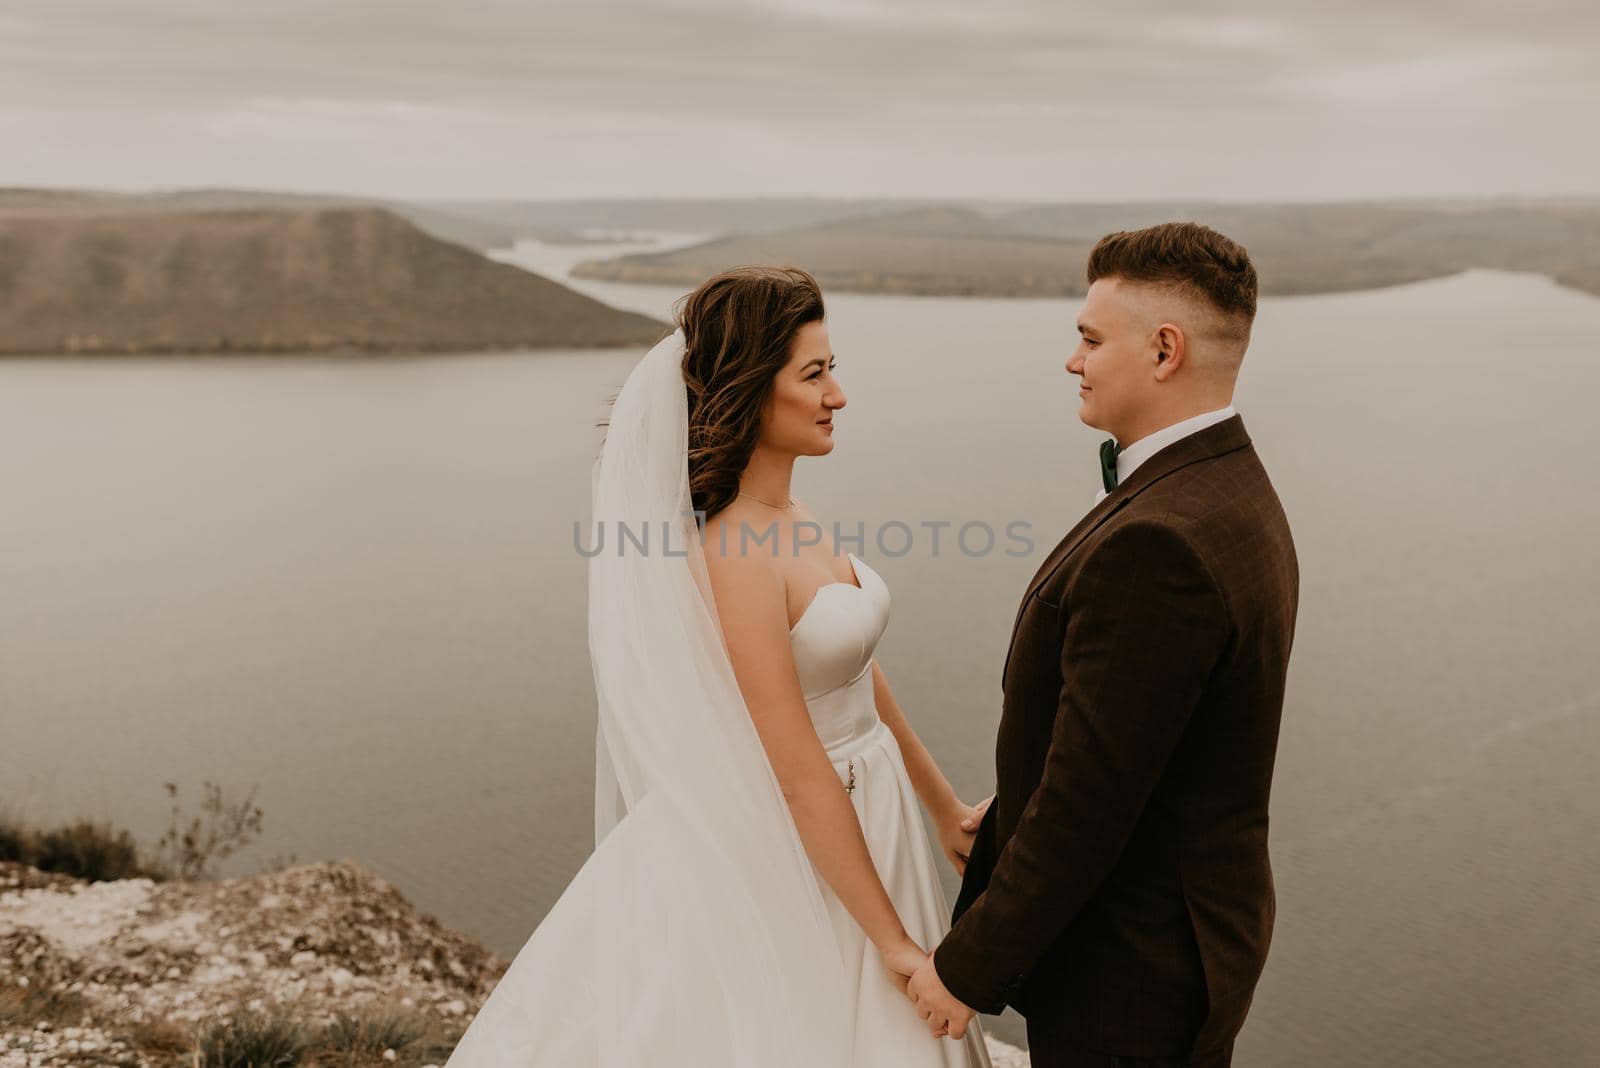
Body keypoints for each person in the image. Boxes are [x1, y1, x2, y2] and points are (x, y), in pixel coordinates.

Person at [444, 265, 991, 1068]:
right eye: (814, 374)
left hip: (869, 813)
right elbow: (798, 768)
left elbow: (848, 669)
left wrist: (940, 805)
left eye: (833, 368)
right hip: (799, 843)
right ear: (748, 390)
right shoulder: (735, 549)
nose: (838, 394)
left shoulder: (794, 516)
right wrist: (895, 943)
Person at [907, 223, 1300, 1068]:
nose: (1071, 360)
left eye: (1089, 338)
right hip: (1193, 937)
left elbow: (1093, 803)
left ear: (1165, 350)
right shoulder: (1231, 485)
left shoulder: (1160, 544)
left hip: (1131, 971)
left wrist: (967, 970)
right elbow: (1145, 739)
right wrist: (1015, 804)